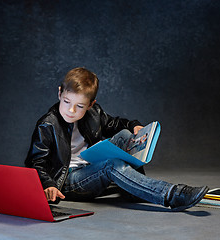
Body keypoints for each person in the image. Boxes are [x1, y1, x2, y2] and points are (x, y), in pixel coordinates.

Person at [25, 67, 208, 211]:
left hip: (89, 166)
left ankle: (134, 190)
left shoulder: (94, 113)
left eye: (79, 106)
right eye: (66, 102)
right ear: (59, 94)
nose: (71, 110)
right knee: (111, 164)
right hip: (68, 180)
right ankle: (172, 194)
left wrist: (133, 126)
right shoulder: (47, 124)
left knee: (126, 136)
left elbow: (113, 123)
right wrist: (49, 184)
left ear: (90, 105)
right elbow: (36, 162)